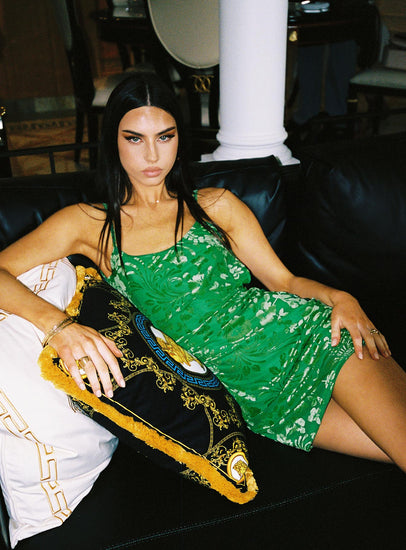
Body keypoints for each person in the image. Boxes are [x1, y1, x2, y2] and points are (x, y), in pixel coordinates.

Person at [1, 72, 406, 470]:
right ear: (113, 142)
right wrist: (60, 327)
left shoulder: (217, 205)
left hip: (309, 339)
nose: (152, 155)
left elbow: (284, 281)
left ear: (180, 138)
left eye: (165, 137)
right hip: (251, 396)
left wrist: (342, 298)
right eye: (134, 139)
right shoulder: (89, 224)